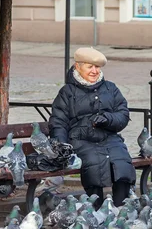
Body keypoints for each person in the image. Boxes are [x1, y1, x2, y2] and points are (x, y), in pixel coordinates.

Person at [49, 47, 135, 208]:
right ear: (77, 66)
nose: (94, 71)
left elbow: (123, 114)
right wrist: (61, 145)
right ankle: (96, 210)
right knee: (93, 163)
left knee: (122, 161)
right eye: (90, 67)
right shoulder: (67, 92)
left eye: (97, 67)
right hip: (81, 140)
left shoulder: (110, 88)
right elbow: (58, 122)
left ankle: (119, 209)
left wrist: (108, 119)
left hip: (109, 137)